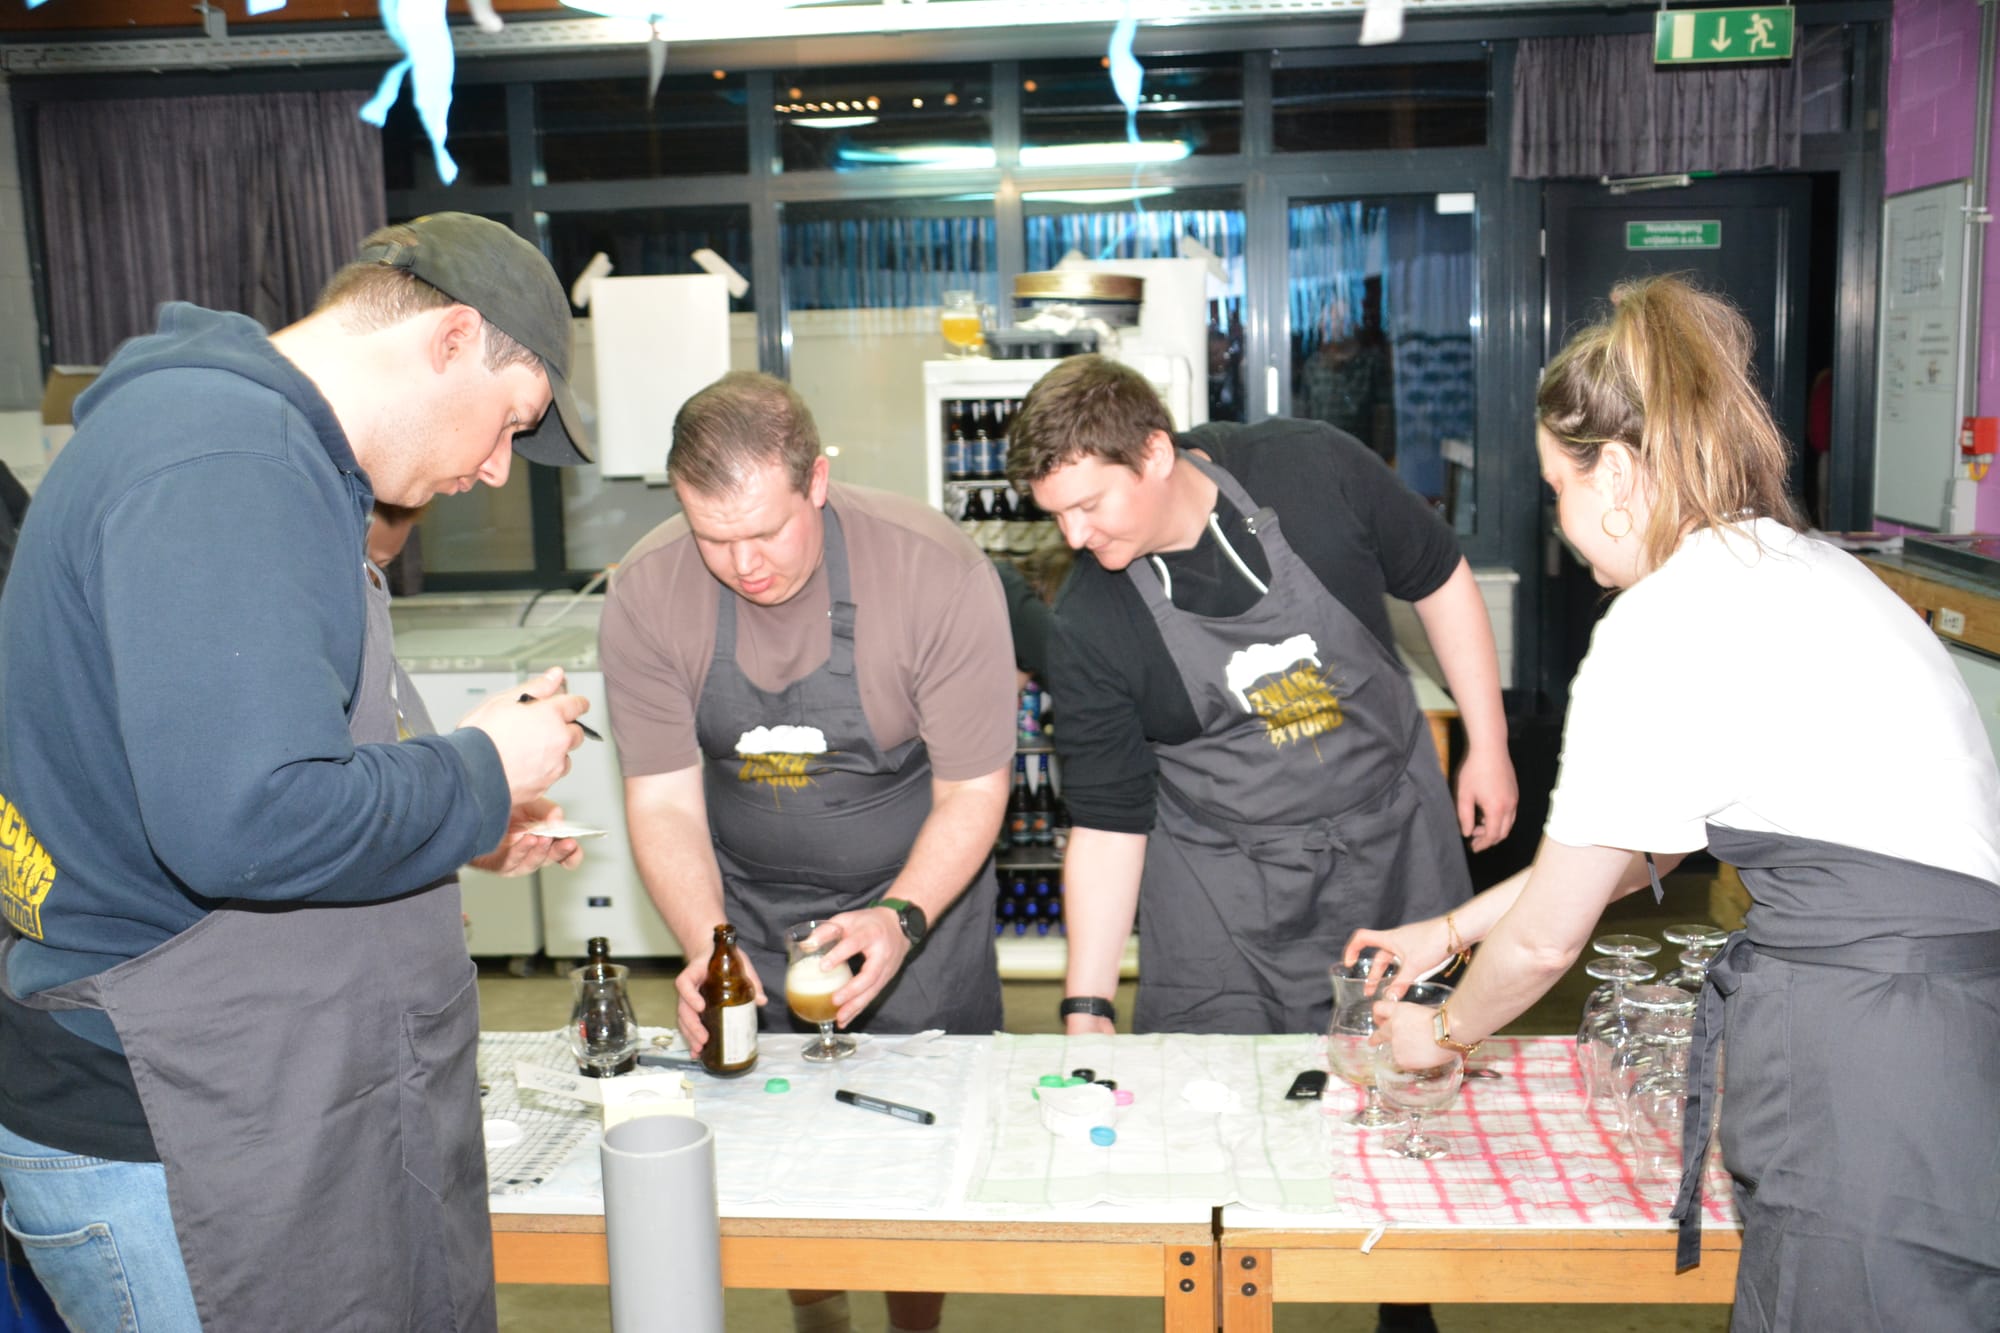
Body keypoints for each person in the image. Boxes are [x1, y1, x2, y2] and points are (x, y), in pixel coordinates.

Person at [1355, 275, 2000, 1330]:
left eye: (1557, 488)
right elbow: (1629, 851)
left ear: (1613, 471)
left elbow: (1546, 944)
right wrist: (1451, 929)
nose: (1563, 527)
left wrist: (1445, 1032)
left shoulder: (1663, 618)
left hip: (1868, 1053)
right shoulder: (1804, 570)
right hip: (1948, 1030)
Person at [0, 211, 597, 1333]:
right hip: (179, 1128)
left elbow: (265, 760)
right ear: (451, 338)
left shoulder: (272, 460)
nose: (493, 468)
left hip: (249, 1097)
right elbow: (246, 820)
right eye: (509, 423)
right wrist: (479, 767)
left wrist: (460, 817)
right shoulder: (226, 458)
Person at [598, 370, 1015, 1333]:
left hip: (915, 902)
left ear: (816, 480)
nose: (742, 564)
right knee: (776, 1138)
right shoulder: (650, 591)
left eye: (764, 532)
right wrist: (707, 943)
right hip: (748, 909)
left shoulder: (932, 572)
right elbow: (662, 799)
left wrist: (902, 916)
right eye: (712, 537)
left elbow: (974, 788)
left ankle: (914, 1325)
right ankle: (818, 1318)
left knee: (916, 1153)